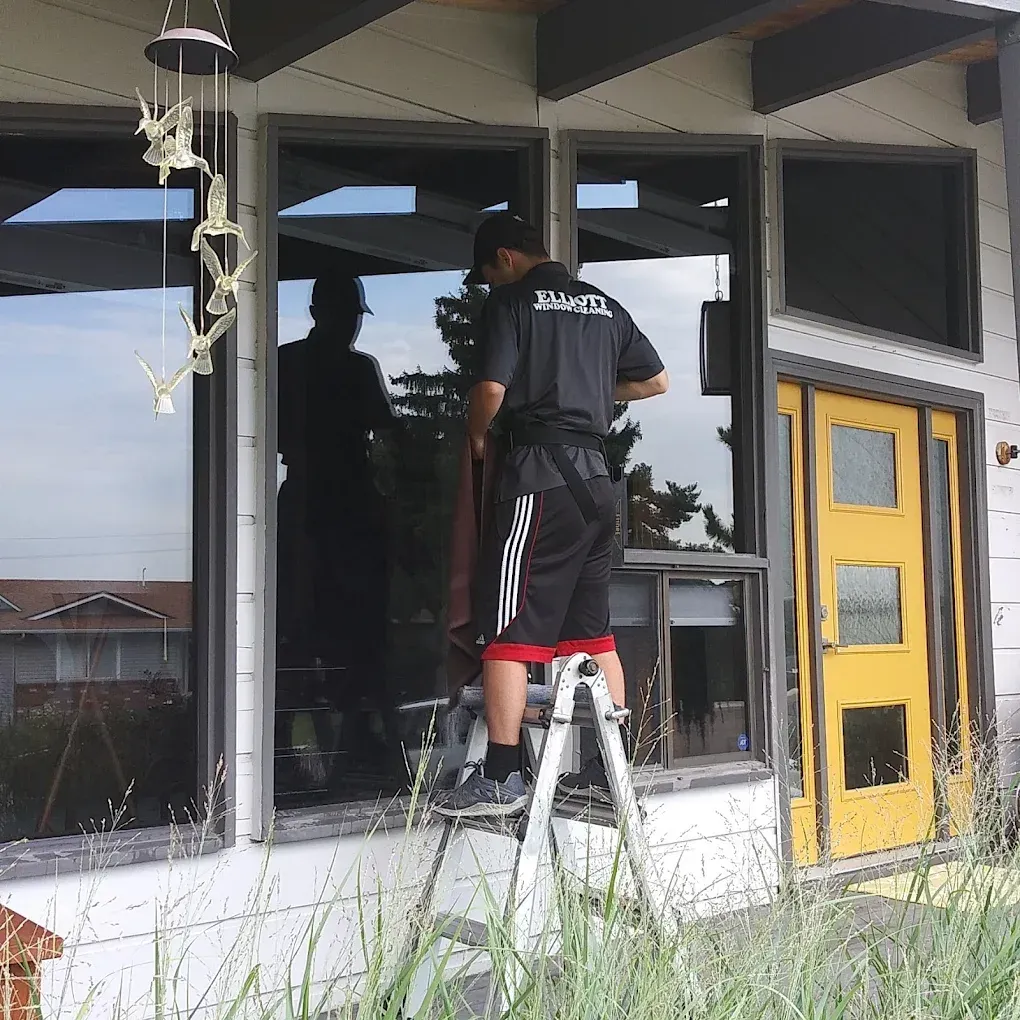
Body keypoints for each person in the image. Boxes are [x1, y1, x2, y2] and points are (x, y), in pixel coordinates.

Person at [433, 213, 668, 820]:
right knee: (590, 631)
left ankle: (504, 776)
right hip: (597, 479)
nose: (488, 284)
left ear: (506, 258)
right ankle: (605, 771)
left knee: (506, 629)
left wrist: (479, 437)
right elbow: (655, 380)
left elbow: (489, 389)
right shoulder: (602, 305)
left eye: (487, 274)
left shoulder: (512, 303)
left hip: (540, 475)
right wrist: (590, 390)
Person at [276, 273, 398, 793]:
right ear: (322, 313)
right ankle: (313, 741)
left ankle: (353, 736)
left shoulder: (292, 361)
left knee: (326, 624)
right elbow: (391, 434)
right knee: (335, 624)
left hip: (326, 502)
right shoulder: (347, 368)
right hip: (331, 503)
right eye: (348, 314)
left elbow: (389, 434)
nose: (350, 326)